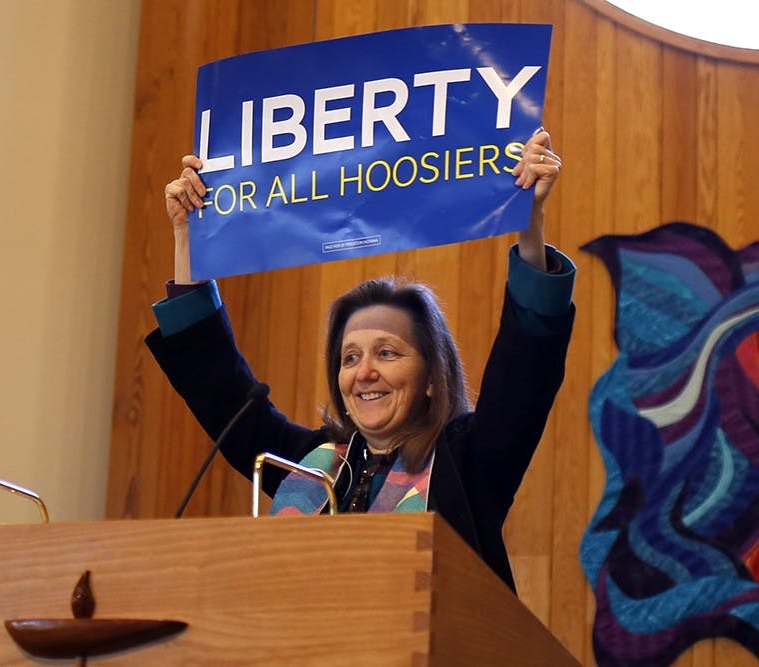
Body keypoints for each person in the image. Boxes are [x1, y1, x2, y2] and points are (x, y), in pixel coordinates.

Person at [146, 130, 575, 593]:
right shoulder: (310, 467)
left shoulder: (471, 460)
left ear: (432, 376)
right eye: (350, 357)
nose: (364, 372)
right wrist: (188, 236)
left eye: (386, 353)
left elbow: (524, 368)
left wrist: (530, 218)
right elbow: (221, 390)